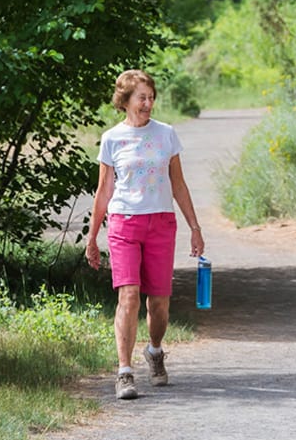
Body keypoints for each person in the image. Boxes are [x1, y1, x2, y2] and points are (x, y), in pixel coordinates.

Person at [86, 69, 206, 400]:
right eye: (142, 97)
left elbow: (178, 184)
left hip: (161, 223)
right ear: (125, 100)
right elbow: (103, 191)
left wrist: (195, 227)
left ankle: (154, 351)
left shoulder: (166, 135)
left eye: (151, 97)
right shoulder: (112, 139)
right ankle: (124, 372)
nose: (148, 103)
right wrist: (93, 237)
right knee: (129, 295)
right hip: (124, 223)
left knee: (160, 304)